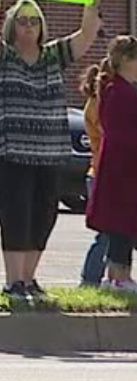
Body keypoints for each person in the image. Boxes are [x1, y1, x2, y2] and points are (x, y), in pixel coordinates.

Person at [0, 0, 101, 304]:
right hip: (8, 152)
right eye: (23, 20)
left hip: (49, 152)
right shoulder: (3, 57)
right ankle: (12, 281)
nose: (29, 25)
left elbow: (87, 34)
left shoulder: (53, 56)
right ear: (13, 25)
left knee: (44, 215)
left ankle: (29, 278)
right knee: (15, 214)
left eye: (34, 20)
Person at [87, 37, 137, 292]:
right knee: (122, 226)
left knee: (123, 226)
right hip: (123, 169)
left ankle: (116, 276)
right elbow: (123, 134)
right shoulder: (121, 92)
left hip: (120, 168)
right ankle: (119, 277)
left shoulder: (117, 89)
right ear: (127, 60)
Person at [80, 63, 111, 287]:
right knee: (107, 234)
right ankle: (90, 280)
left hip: (101, 173)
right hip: (103, 175)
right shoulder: (98, 105)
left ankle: (114, 277)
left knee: (113, 234)